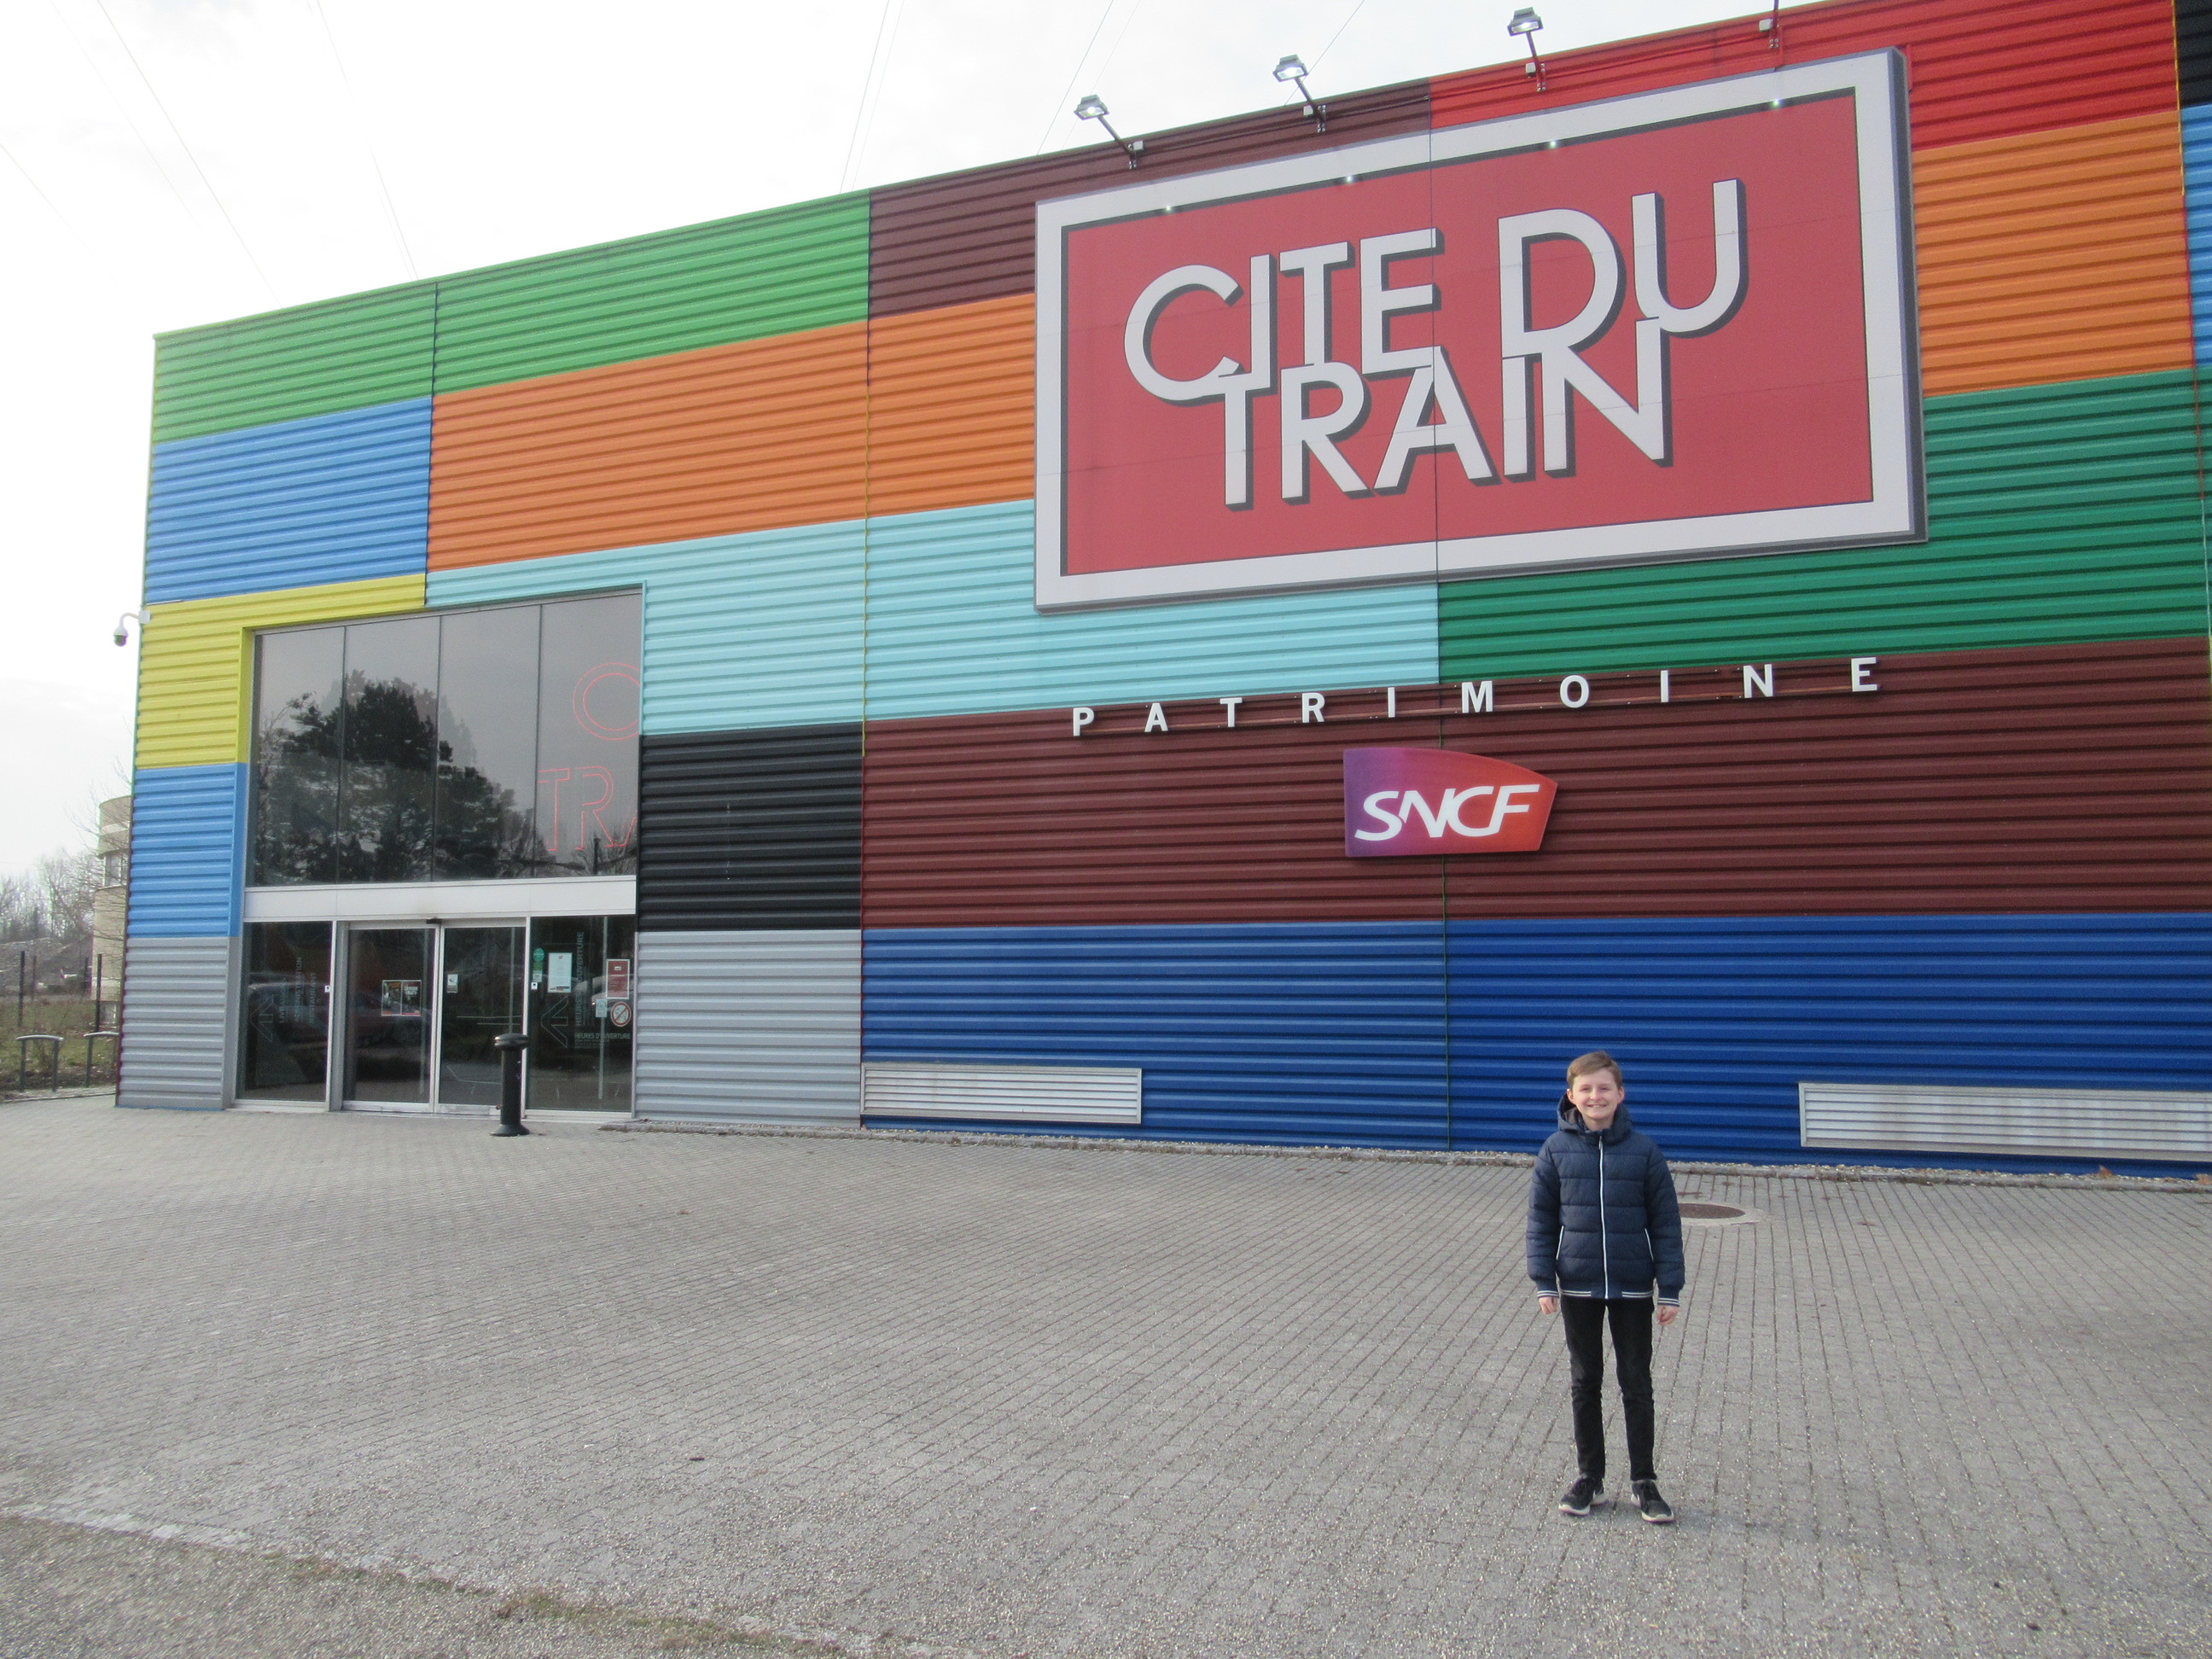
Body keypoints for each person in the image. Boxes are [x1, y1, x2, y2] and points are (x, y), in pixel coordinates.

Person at [1524, 1049, 1685, 1523]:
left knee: (1637, 1383)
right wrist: (1544, 1280)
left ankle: (1644, 1481)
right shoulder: (1554, 1151)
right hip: (1578, 1286)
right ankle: (1590, 1479)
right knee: (1585, 1382)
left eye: (1604, 1088)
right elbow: (1540, 1221)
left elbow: (1666, 1224)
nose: (1596, 1096)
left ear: (1620, 1094)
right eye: (1586, 1089)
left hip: (1633, 1288)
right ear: (1571, 1096)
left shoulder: (1645, 1152)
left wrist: (1669, 1288)